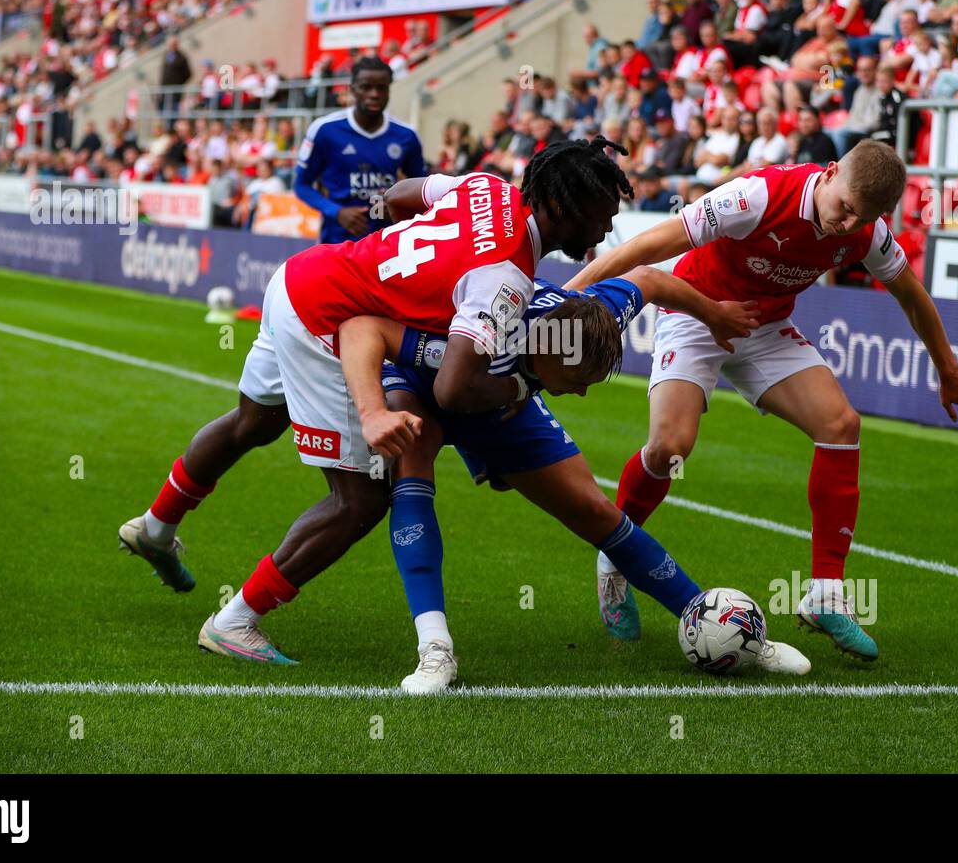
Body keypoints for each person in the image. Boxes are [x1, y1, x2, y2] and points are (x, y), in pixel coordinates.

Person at [116, 141, 633, 664]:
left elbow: (402, 195)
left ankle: (157, 526)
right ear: (565, 207)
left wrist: (385, 249)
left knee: (252, 422)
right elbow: (455, 387)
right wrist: (522, 384)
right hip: (324, 320)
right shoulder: (506, 276)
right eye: (603, 216)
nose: (606, 231)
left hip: (302, 275)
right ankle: (236, 621)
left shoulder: (487, 187)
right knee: (359, 501)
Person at [564, 142, 958, 661]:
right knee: (669, 447)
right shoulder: (758, 196)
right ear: (830, 174)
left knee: (841, 425)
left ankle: (825, 595)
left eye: (865, 217)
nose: (847, 223)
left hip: (764, 329)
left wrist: (947, 368)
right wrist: (568, 297)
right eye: (846, 207)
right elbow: (650, 246)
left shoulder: (866, 231)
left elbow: (911, 294)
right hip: (698, 312)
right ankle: (614, 557)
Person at [338, 265, 794, 692]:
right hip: (425, 379)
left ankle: (714, 621)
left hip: (508, 392)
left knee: (595, 511)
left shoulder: (586, 316)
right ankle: (435, 650)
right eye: (578, 379)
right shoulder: (487, 327)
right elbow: (366, 328)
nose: (580, 391)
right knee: (414, 458)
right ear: (544, 347)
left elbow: (650, 280)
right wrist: (374, 411)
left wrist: (713, 315)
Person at [293, 56, 426, 244]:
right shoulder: (325, 129)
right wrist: (337, 212)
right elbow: (301, 186)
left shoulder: (406, 135)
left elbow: (421, 190)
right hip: (337, 243)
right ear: (352, 89)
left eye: (381, 88)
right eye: (366, 87)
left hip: (386, 246)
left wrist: (399, 207)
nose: (374, 94)